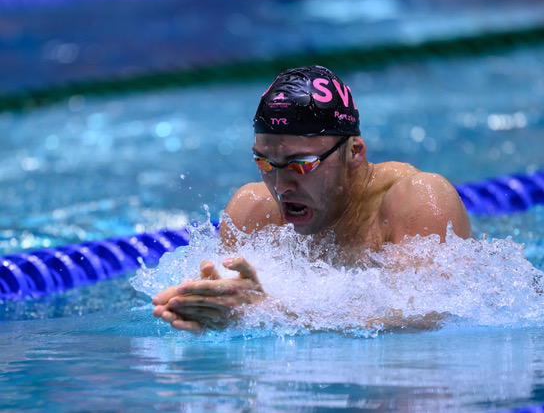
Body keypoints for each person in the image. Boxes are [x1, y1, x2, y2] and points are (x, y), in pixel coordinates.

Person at [152, 65, 474, 332]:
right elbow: (237, 308)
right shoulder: (253, 211)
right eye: (265, 163)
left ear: (354, 152)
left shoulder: (417, 201)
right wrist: (200, 306)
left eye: (301, 164)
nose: (281, 186)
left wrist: (270, 312)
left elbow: (428, 321)